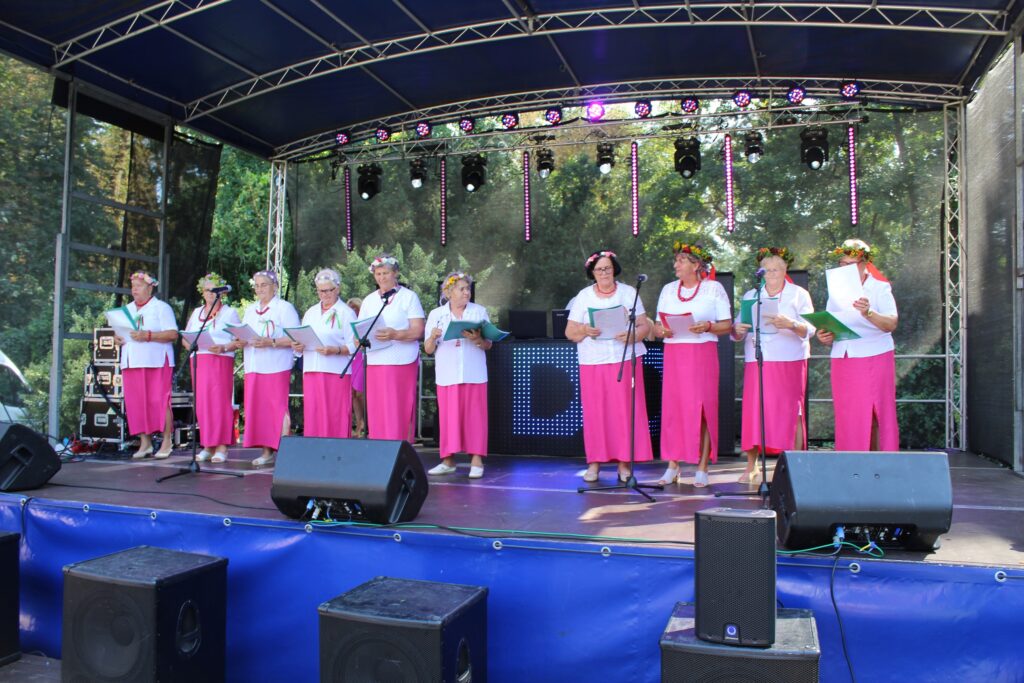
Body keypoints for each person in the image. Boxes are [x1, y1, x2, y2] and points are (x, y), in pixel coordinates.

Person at [565, 250, 653, 482]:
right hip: (593, 361)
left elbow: (644, 326)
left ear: (614, 269)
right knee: (596, 413)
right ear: (592, 273)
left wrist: (634, 335)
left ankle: (624, 464)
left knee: (624, 412)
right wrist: (585, 329)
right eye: (599, 269)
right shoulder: (584, 296)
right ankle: (594, 464)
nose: (603, 273)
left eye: (607, 268)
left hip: (624, 358)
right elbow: (570, 332)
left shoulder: (629, 293)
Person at [732, 248, 814, 483]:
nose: (771, 274)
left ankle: (795, 465)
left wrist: (791, 324)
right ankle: (751, 466)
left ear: (785, 269)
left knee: (791, 410)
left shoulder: (798, 294)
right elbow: (737, 330)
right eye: (766, 270)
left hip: (789, 359)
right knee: (754, 411)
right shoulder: (752, 294)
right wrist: (737, 330)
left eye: (776, 269)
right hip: (757, 358)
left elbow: (810, 329)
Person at [654, 242, 732, 487]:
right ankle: (673, 465)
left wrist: (708, 326)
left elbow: (726, 325)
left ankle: (702, 466)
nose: (675, 265)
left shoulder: (713, 288)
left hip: (702, 352)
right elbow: (657, 326)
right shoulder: (668, 289)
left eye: (681, 260)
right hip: (674, 353)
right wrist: (662, 331)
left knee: (702, 408)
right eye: (676, 260)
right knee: (674, 408)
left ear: (696, 264)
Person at [816, 239, 899, 450]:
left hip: (874, 355)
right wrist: (825, 335)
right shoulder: (836, 290)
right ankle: (850, 460)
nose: (845, 269)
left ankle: (880, 461)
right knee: (848, 413)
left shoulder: (879, 288)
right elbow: (831, 324)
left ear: (864, 263)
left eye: (851, 264)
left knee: (876, 410)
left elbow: (891, 323)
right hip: (844, 357)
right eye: (842, 264)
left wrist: (868, 312)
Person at [423, 272, 491, 478]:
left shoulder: (479, 311)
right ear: (449, 292)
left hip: (474, 372)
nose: (466, 292)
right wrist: (432, 337)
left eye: (467, 288)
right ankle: (448, 460)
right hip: (448, 373)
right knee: (448, 418)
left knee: (475, 417)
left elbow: (489, 344)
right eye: (461, 289)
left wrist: (478, 339)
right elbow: (428, 349)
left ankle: (477, 461)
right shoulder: (437, 314)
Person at [228, 270, 299, 467]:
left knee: (277, 408)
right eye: (257, 285)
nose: (260, 289)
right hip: (254, 366)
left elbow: (295, 337)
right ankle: (266, 451)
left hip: (276, 366)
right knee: (260, 410)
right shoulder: (251, 310)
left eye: (264, 285)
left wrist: (271, 342)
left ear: (274, 286)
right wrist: (240, 341)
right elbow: (244, 334)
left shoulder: (284, 308)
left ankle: (285, 451)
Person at [358, 254, 425, 440]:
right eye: (378, 274)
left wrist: (395, 334)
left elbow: (418, 330)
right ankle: (379, 446)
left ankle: (399, 446)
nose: (382, 277)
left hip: (400, 360)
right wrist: (359, 339)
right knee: (377, 407)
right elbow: (360, 329)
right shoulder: (369, 300)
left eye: (385, 273)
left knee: (397, 407)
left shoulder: (408, 297)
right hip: (375, 360)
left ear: (395, 273)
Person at [113, 271, 178, 459]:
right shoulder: (127, 309)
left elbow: (173, 334)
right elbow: (120, 333)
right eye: (133, 286)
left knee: (159, 401)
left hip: (156, 360)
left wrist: (148, 335)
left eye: (139, 286)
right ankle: (145, 442)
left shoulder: (161, 308)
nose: (134, 290)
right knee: (136, 403)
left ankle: (166, 441)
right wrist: (117, 338)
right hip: (132, 360)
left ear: (150, 288)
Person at [181, 273, 241, 463]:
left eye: (214, 290)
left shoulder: (229, 313)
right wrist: (190, 345)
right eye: (207, 290)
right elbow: (186, 337)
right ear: (202, 291)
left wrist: (224, 347)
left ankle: (222, 446)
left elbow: (239, 340)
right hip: (199, 360)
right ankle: (207, 444)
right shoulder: (197, 312)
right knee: (203, 403)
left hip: (220, 360)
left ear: (221, 293)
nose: (210, 293)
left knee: (219, 402)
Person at [292, 269, 356, 438]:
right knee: (314, 412)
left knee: (334, 412)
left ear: (338, 289)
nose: (325, 294)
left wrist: (335, 350)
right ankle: (315, 448)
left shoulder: (346, 312)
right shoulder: (311, 312)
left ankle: (336, 449)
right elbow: (302, 336)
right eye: (321, 291)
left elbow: (355, 345)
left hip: (335, 370)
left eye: (329, 290)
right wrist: (297, 345)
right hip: (312, 369)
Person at [346, 297, 367, 437]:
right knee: (352, 393)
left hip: (361, 356)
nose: (353, 311)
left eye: (355, 308)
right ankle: (359, 423)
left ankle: (366, 422)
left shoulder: (363, 322)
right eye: (350, 308)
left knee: (360, 391)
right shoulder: (345, 321)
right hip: (349, 357)